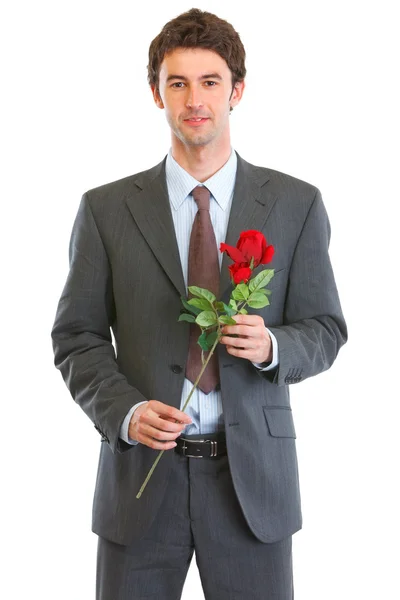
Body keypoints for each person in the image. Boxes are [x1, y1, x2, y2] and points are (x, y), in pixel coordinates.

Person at [51, 8, 347, 600]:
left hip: (252, 487)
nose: (194, 100)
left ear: (237, 90)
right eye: (177, 82)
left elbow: (326, 328)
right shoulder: (106, 209)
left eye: (210, 81)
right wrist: (126, 413)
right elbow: (76, 337)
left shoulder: (296, 204)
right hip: (140, 479)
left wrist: (271, 347)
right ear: (155, 93)